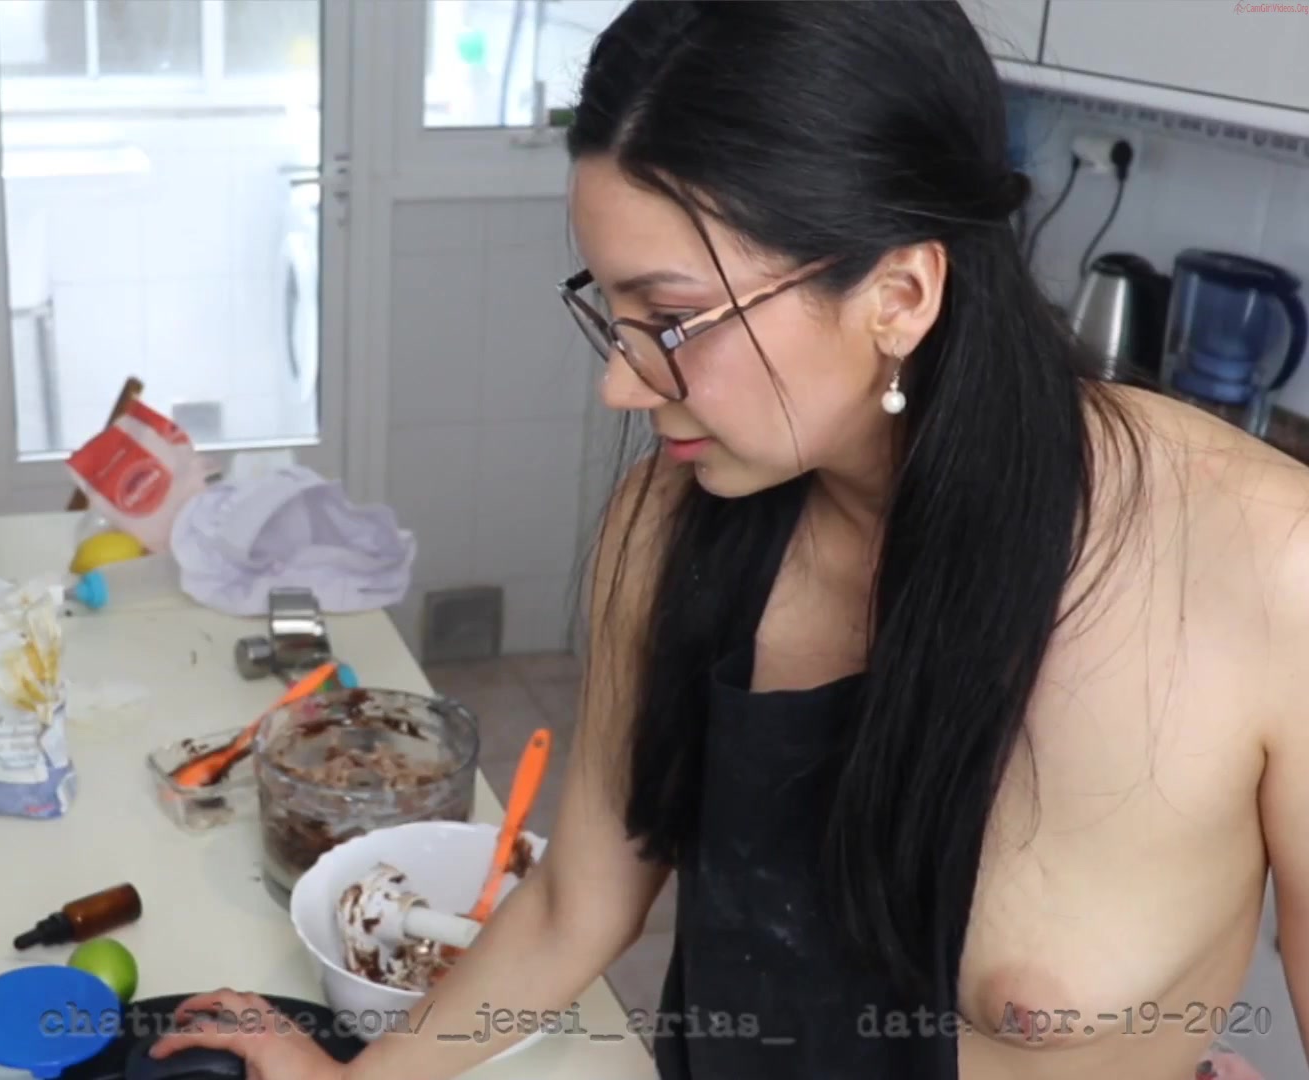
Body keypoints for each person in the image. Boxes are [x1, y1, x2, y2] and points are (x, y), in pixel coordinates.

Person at [147, 2, 1309, 1077]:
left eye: (671, 320)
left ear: (900, 295)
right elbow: (575, 906)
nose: (621, 382)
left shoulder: (1265, 563)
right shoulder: (669, 529)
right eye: (613, 313)